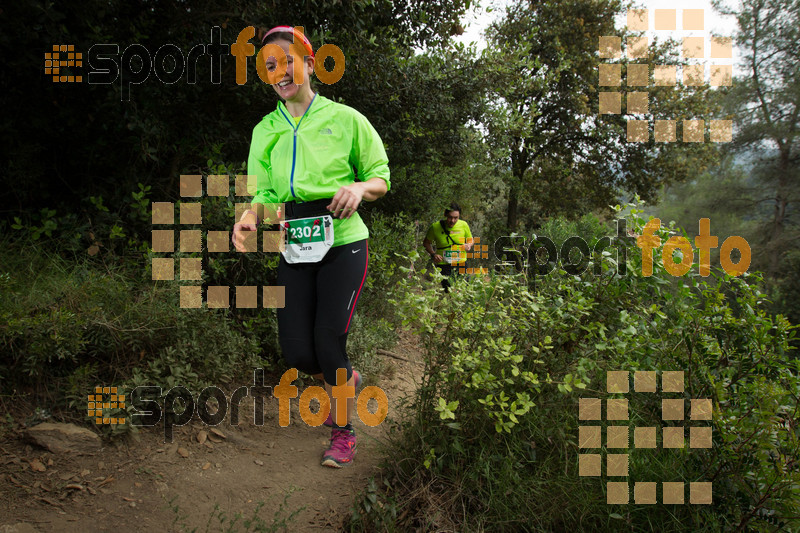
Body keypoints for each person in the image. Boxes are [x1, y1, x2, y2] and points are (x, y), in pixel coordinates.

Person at [232, 26, 389, 468]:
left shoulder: (347, 120)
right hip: (295, 243)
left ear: (309, 63)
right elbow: (260, 195)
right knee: (298, 352)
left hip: (343, 242)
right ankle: (348, 380)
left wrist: (359, 188)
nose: (279, 73)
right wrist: (247, 218)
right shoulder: (265, 131)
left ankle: (344, 433)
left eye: (286, 62)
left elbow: (381, 175)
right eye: (269, 66)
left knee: (328, 340)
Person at [423, 204, 473, 292]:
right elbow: (426, 243)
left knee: (464, 289)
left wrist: (468, 245)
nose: (452, 221)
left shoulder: (464, 225)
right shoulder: (435, 227)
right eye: (450, 217)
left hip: (461, 262)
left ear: (459, 216)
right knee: (449, 290)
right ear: (445, 215)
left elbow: (470, 240)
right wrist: (433, 254)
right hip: (444, 264)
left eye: (456, 218)